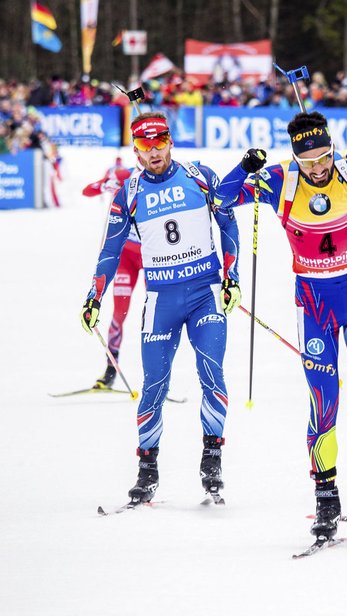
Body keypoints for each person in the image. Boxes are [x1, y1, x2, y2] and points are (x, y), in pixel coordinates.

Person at [214, 111, 347, 542]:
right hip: (314, 305)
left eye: (322, 157)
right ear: (294, 156)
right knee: (323, 400)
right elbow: (221, 199)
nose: (316, 168)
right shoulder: (280, 180)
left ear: (332, 148)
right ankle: (326, 496)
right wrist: (244, 168)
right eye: (306, 160)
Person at [80, 112, 240, 504]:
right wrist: (93, 297)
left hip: (204, 293)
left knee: (211, 373)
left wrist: (232, 276)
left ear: (170, 142)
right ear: (135, 151)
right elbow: (110, 250)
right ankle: (147, 471)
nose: (154, 152)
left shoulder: (199, 175)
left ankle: (212, 461)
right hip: (161, 300)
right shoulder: (129, 192)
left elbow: (228, 222)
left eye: (159, 143)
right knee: (154, 384)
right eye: (145, 146)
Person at [82, 156, 143, 389]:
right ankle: (111, 367)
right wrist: (108, 183)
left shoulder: (162, 179)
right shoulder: (124, 176)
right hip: (127, 256)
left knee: (156, 312)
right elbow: (87, 191)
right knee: (120, 312)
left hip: (152, 257)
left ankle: (156, 371)